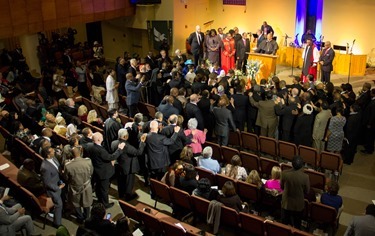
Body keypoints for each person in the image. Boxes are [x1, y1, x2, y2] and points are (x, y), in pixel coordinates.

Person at [84, 132, 125, 208]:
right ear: (99, 139)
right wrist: (119, 149)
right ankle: (105, 204)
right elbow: (111, 157)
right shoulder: (100, 150)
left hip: (96, 170)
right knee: (104, 189)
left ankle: (100, 200)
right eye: (101, 136)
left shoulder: (89, 146)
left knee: (98, 187)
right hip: (104, 172)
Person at [111, 129, 146, 201]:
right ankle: (128, 196)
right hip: (128, 167)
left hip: (118, 165)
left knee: (120, 182)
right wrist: (142, 142)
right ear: (125, 136)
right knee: (129, 182)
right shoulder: (126, 146)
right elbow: (138, 152)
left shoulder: (113, 143)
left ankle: (121, 195)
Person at [64, 146, 93, 223]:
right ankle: (87, 217)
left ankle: (80, 217)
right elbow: (91, 173)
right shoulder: (88, 161)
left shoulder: (68, 165)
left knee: (76, 203)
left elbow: (66, 178)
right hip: (86, 186)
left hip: (74, 187)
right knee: (87, 202)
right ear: (80, 153)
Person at [280, 155, 310, 229]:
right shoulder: (305, 177)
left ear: (292, 164)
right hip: (298, 205)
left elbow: (281, 187)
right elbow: (307, 191)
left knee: (284, 224)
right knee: (297, 225)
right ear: (302, 165)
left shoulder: (284, 173)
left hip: (286, 203)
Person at [40, 146, 65, 227]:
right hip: (53, 189)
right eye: (52, 151)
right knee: (59, 204)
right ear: (47, 155)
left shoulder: (53, 158)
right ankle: (57, 223)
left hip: (59, 183)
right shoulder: (44, 167)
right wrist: (58, 188)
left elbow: (58, 168)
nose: (54, 151)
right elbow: (47, 183)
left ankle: (60, 214)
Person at [361, 88, 375, 154]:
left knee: (370, 136)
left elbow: (373, 114)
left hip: (371, 123)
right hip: (370, 122)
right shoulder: (372, 100)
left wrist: (369, 123)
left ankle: (369, 149)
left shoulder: (373, 103)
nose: (370, 93)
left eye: (371, 92)